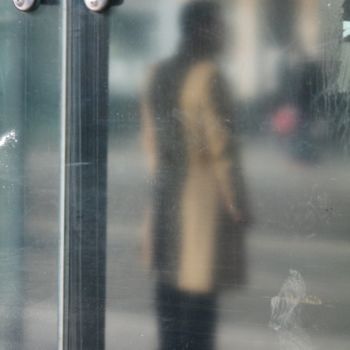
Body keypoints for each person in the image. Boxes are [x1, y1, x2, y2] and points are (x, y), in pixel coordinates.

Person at [141, 2, 250, 349]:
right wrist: (237, 203)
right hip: (202, 201)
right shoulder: (208, 75)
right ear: (202, 28)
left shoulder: (157, 72)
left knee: (169, 295)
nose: (224, 33)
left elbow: (150, 139)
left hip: (166, 194)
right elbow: (222, 148)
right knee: (199, 305)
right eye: (219, 26)